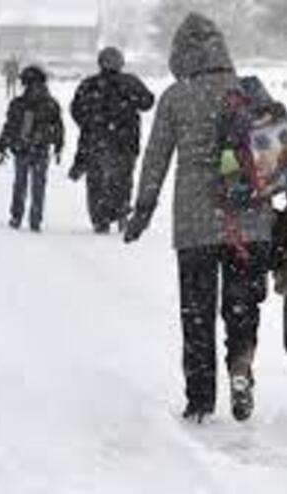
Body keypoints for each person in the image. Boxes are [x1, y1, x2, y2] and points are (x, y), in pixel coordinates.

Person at [124, 13, 273, 423]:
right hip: (250, 221)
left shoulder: (176, 96)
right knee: (242, 306)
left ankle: (200, 399)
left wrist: (143, 209)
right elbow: (273, 159)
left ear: (180, 54)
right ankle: (241, 368)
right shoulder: (247, 91)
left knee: (198, 313)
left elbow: (156, 157)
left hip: (195, 225)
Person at [70, 47, 155, 234]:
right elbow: (148, 102)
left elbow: (76, 110)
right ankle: (121, 211)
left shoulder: (89, 84)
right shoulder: (129, 82)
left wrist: (91, 124)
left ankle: (100, 219)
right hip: (125, 142)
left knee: (96, 182)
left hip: (95, 142)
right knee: (122, 179)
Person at [0, 65, 64, 233]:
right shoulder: (51, 104)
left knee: (20, 184)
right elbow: (58, 127)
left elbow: (10, 126)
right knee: (38, 186)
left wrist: (3, 143)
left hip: (22, 149)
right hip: (40, 150)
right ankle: (35, 219)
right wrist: (58, 145)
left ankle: (16, 216)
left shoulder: (19, 103)